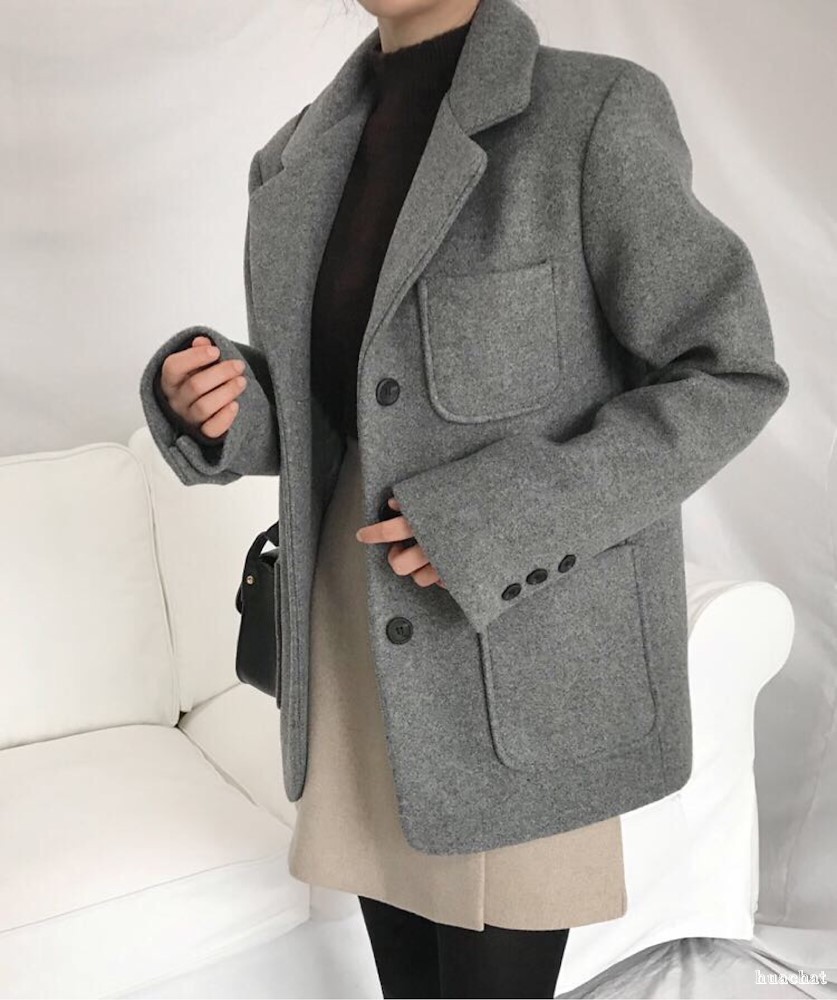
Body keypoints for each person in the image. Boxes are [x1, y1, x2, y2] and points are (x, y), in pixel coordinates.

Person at [140, 0, 789, 996]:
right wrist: (225, 406)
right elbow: (338, 415)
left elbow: (727, 373)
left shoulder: (593, 113)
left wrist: (501, 520)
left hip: (520, 650)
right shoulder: (291, 162)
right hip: (353, 645)